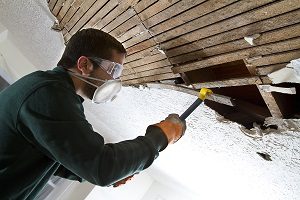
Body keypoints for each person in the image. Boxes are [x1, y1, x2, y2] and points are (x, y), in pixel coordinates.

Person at [0, 28, 186, 199]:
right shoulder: (48, 94)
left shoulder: (48, 90)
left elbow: (60, 158)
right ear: (84, 64)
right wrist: (162, 135)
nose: (115, 79)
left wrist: (110, 174)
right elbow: (102, 166)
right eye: (114, 70)